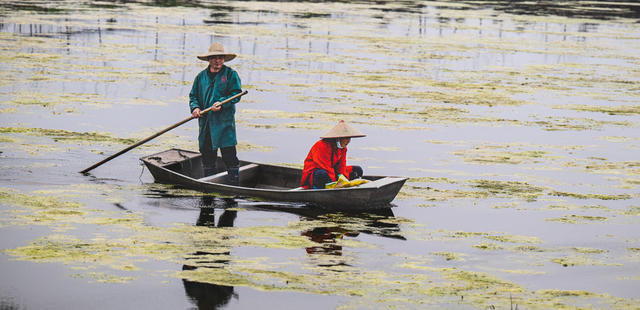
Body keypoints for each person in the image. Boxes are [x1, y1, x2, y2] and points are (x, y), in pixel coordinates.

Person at [189, 42, 243, 185]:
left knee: (230, 157)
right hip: (206, 124)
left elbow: (236, 94)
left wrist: (222, 103)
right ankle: (209, 186)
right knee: (207, 157)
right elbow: (193, 96)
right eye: (214, 58)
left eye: (220, 58)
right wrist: (195, 108)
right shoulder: (200, 77)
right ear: (209, 59)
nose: (218, 61)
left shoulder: (231, 75)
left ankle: (233, 185)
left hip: (224, 124)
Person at [300, 120, 366, 189]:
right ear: (339, 137)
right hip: (315, 174)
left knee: (357, 170)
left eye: (349, 138)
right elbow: (325, 167)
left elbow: (341, 166)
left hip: (332, 172)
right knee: (321, 174)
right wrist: (335, 183)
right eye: (346, 138)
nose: (348, 141)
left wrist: (344, 179)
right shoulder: (322, 146)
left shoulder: (342, 148)